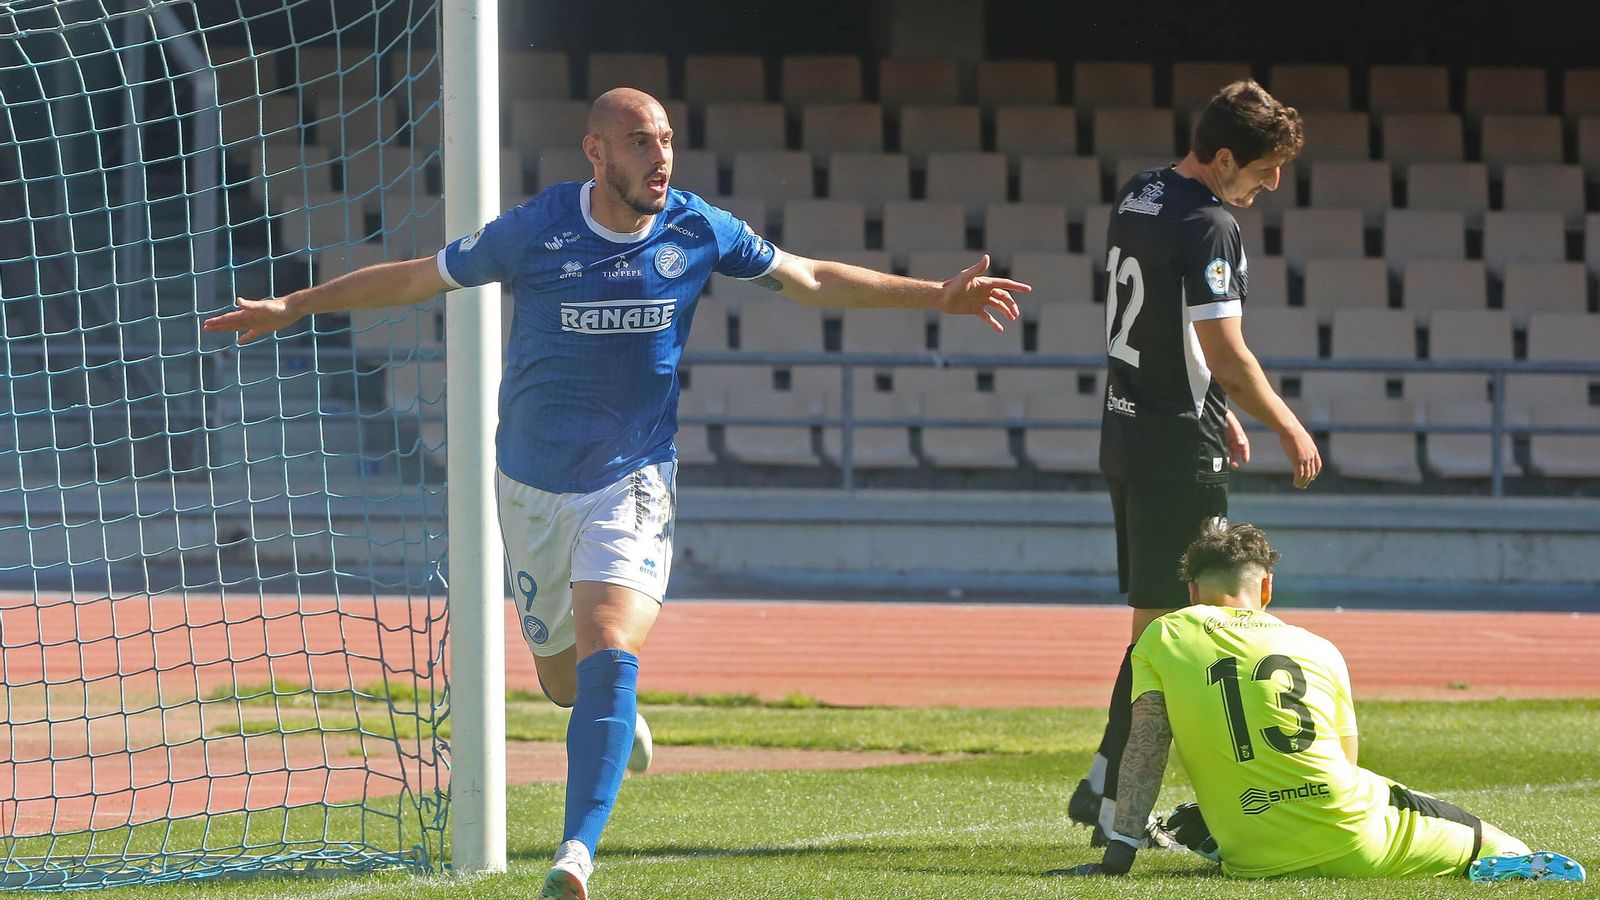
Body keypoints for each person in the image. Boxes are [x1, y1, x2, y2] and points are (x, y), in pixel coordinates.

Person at [204, 87, 1028, 900]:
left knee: (609, 634)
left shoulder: (697, 228)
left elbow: (808, 277)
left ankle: (575, 854)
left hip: (631, 479)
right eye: (639, 141)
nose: (659, 155)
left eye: (666, 139)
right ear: (596, 152)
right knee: (565, 682)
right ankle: (613, 710)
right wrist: (294, 304)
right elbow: (420, 277)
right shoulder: (536, 230)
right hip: (529, 485)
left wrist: (936, 296)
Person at [1070, 79, 1324, 847]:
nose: (1272, 183)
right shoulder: (1213, 224)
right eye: (1264, 167)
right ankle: (1113, 799)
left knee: (1160, 629)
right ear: (1222, 157)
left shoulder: (1140, 194)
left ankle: (1104, 789)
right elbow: (1224, 349)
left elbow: (1160, 334)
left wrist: (1222, 416)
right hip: (1176, 448)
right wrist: (1283, 422)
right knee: (1177, 635)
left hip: (1128, 433)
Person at [1053, 520, 1586, 883]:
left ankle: (1218, 833)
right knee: (1462, 825)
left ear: (1192, 592)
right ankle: (1504, 857)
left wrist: (1119, 855)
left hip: (1252, 858)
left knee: (1219, 808)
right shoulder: (1318, 647)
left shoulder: (1164, 636)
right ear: (1266, 589)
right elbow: (1345, 767)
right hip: (1355, 841)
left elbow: (1145, 747)